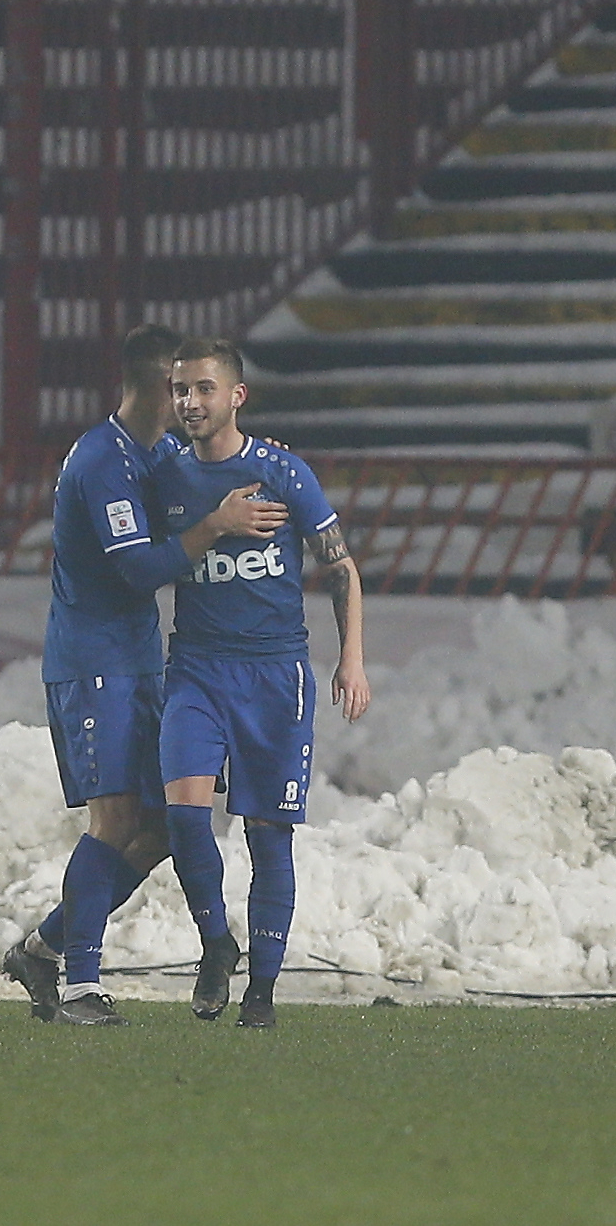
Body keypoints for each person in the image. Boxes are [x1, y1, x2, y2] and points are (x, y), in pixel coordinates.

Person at [0, 324, 287, 1026]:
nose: (191, 400)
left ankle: (43, 947)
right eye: (183, 387)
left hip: (137, 659)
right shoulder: (102, 463)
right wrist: (217, 524)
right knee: (117, 819)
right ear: (161, 387)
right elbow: (140, 567)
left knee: (160, 826)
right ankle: (81, 986)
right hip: (92, 663)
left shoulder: (150, 454)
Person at [154, 337, 370, 1029]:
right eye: (180, 389)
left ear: (236, 396)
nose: (189, 401)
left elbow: (340, 568)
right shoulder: (165, 473)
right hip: (195, 667)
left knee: (267, 834)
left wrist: (352, 659)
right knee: (185, 814)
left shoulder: (283, 471)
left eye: (203, 389)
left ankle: (263, 993)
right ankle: (218, 944)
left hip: (276, 675)